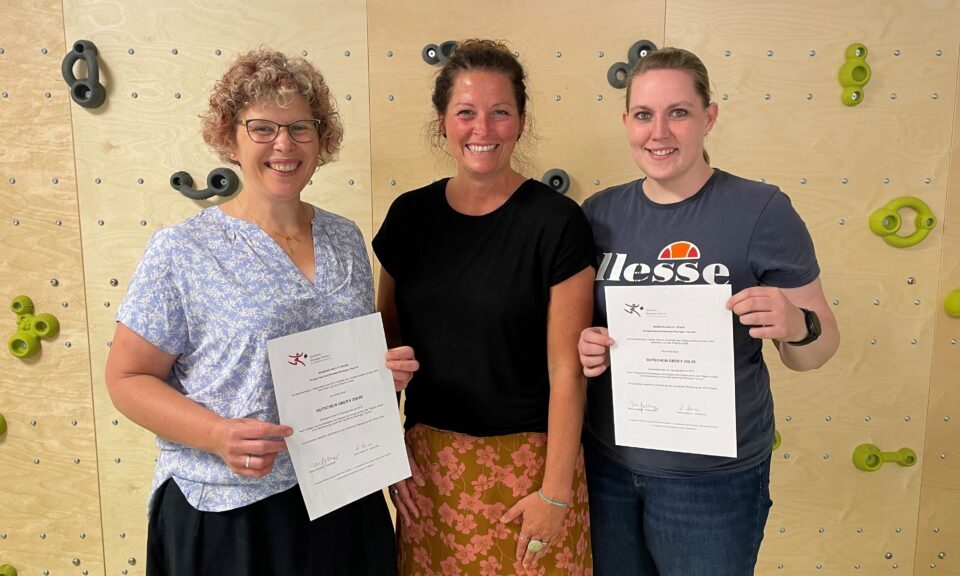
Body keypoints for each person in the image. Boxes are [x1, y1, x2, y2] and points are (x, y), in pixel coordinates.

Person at [104, 49, 417, 575]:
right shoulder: (183, 250)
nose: (284, 145)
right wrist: (215, 434)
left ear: (322, 138)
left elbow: (343, 367)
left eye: (300, 127)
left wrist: (382, 378)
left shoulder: (344, 238)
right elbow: (127, 378)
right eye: (263, 128)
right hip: (231, 509)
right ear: (230, 135)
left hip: (343, 493)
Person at [577, 47, 840, 576]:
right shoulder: (598, 214)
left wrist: (794, 324)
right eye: (645, 115)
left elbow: (818, 346)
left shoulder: (761, 209)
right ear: (626, 122)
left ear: (708, 118)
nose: (660, 133)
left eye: (679, 113)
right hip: (608, 464)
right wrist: (586, 345)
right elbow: (583, 328)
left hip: (713, 482)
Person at [373, 39, 595, 575]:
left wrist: (557, 493)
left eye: (500, 113)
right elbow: (384, 352)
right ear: (443, 122)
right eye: (466, 112)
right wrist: (382, 458)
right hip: (427, 474)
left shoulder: (556, 222)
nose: (483, 129)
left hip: (531, 468)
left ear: (520, 121)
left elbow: (567, 370)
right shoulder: (409, 217)